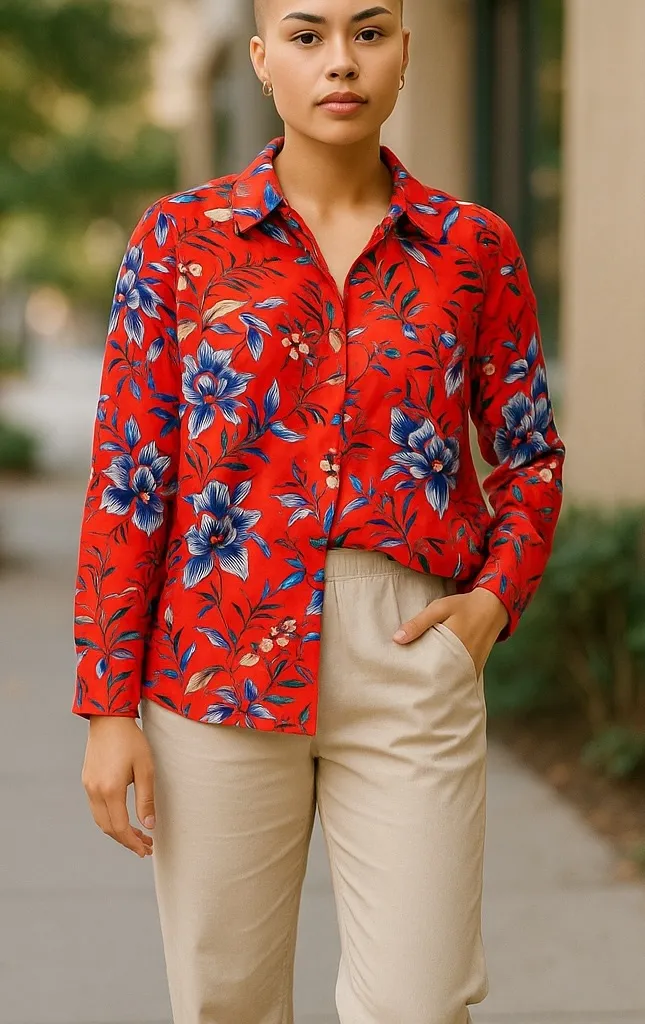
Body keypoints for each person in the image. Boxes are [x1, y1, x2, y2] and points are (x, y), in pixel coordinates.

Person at [73, 0, 565, 1021]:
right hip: (215, 653)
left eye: (367, 33)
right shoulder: (179, 241)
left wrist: (489, 605)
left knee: (421, 1001)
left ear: (403, 52)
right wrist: (109, 707)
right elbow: (130, 475)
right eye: (307, 37)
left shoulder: (473, 248)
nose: (340, 62)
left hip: (409, 647)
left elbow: (528, 455)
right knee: (227, 1002)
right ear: (262, 60)